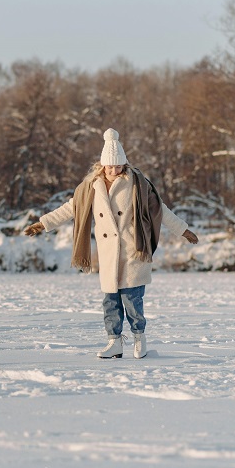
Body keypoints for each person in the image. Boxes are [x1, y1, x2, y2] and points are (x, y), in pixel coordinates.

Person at [24, 128, 199, 359]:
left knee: (132, 300)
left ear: (124, 164)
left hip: (133, 251)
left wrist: (183, 230)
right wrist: (43, 224)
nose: (114, 171)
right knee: (110, 302)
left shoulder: (137, 184)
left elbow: (160, 210)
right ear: (102, 165)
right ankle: (114, 342)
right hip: (108, 255)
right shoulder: (91, 187)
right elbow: (71, 208)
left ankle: (139, 339)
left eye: (118, 166)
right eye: (110, 167)